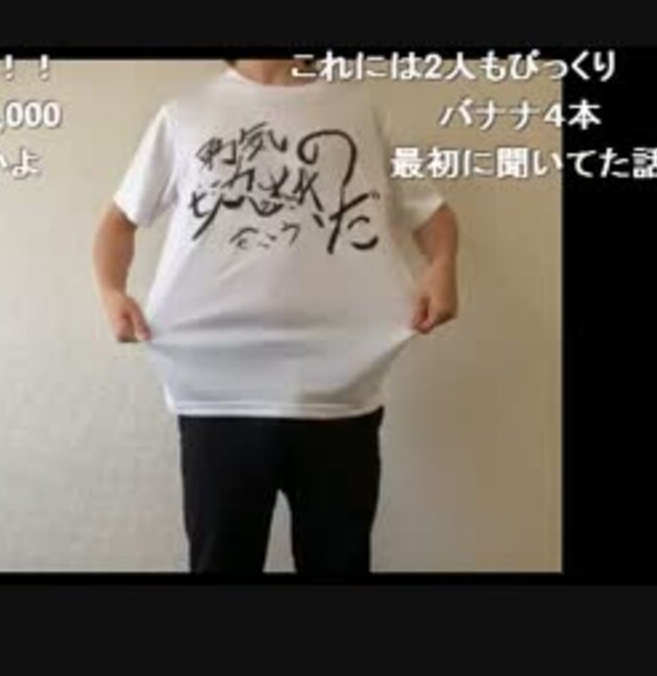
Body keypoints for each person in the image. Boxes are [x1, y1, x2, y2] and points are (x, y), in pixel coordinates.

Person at [92, 58, 459, 575]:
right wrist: (112, 291)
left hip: (340, 390)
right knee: (221, 564)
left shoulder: (362, 110)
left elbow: (432, 213)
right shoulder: (185, 114)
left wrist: (442, 266)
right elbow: (117, 222)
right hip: (216, 390)